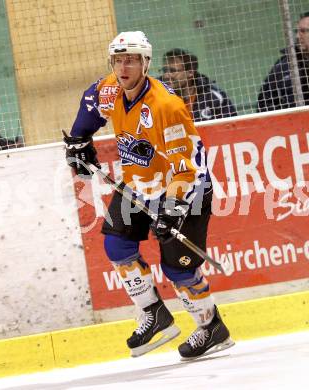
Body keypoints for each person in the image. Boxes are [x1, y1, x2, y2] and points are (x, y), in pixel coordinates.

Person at [63, 31, 234, 360]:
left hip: (186, 190)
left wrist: (172, 207)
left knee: (178, 270)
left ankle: (212, 327)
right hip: (139, 185)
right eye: (117, 60)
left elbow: (188, 168)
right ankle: (155, 314)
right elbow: (90, 102)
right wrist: (79, 141)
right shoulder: (111, 88)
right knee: (116, 244)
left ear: (146, 63)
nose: (123, 67)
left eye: (131, 60)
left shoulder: (166, 106)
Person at [160, 48, 237, 121]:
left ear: (190, 72)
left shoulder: (214, 97)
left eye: (172, 71)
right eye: (164, 70)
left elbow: (232, 128)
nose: (166, 76)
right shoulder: (156, 96)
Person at [257, 12, 309, 112]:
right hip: (293, 124)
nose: (298, 36)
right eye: (296, 31)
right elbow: (265, 103)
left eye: (303, 31)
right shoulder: (283, 66)